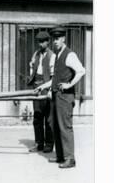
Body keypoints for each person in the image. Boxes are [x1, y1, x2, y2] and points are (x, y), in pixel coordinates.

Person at [35, 27, 86, 169]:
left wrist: (69, 84)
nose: (55, 42)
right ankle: (60, 156)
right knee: (55, 126)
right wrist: (43, 86)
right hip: (57, 96)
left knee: (65, 127)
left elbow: (81, 71)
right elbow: (55, 79)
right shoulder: (57, 55)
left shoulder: (70, 55)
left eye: (58, 38)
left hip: (65, 97)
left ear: (63, 39)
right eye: (54, 39)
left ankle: (70, 159)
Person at [27, 30, 55, 153]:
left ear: (48, 42)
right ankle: (39, 143)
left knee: (48, 118)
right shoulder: (36, 54)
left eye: (43, 41)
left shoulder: (52, 56)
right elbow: (32, 66)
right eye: (39, 41)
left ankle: (49, 144)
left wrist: (48, 89)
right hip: (36, 87)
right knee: (37, 117)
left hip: (46, 87)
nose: (40, 44)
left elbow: (54, 77)